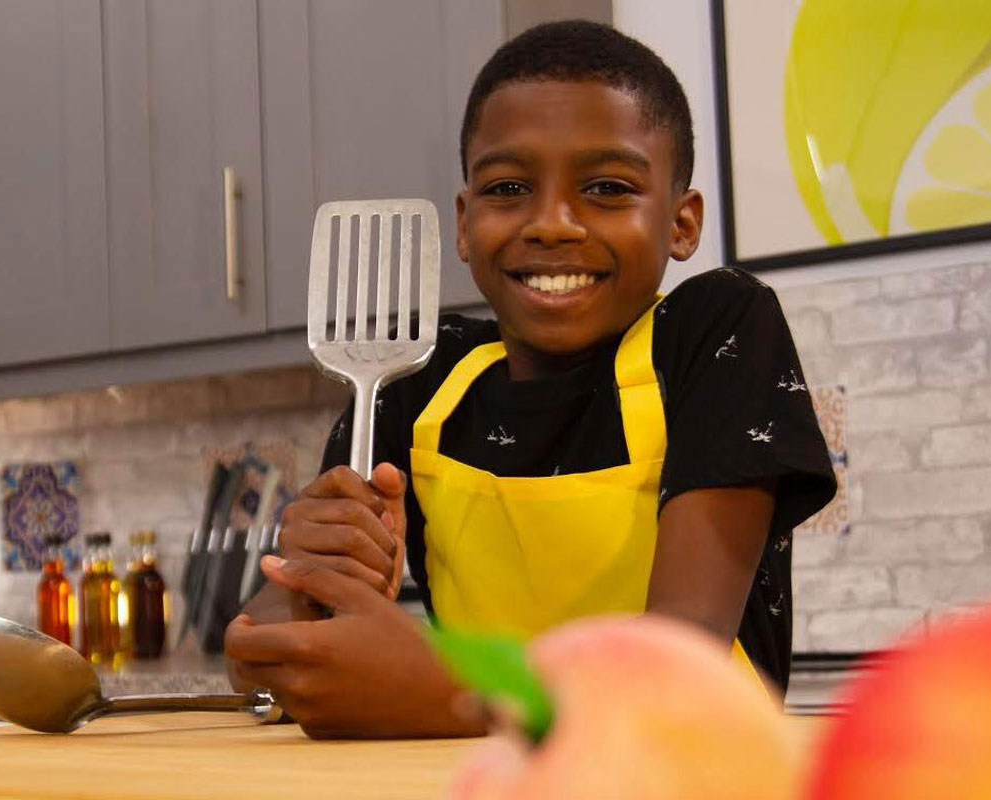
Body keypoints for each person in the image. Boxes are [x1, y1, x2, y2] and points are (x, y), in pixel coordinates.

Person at [225, 19, 836, 739]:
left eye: (608, 188)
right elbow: (264, 655)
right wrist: (301, 578)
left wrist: (454, 693)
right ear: (463, 222)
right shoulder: (414, 383)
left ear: (682, 221)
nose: (551, 223)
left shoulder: (716, 331)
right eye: (509, 187)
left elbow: (680, 670)